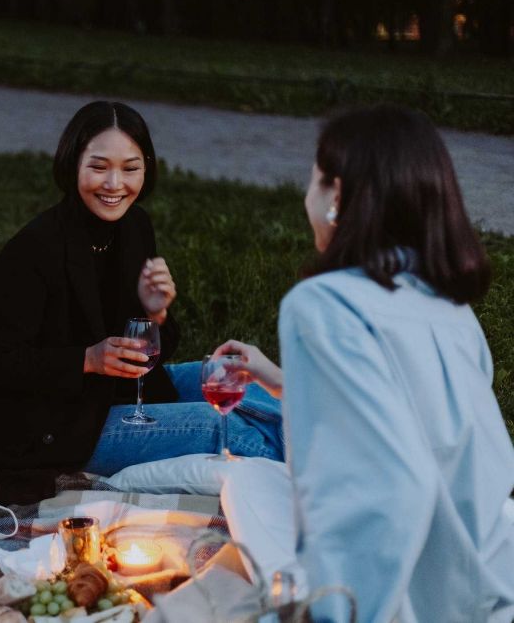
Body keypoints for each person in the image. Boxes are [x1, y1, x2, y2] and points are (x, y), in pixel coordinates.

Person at [216, 105, 514, 622]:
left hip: (404, 596)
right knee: (253, 480)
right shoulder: (450, 308)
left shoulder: (322, 303)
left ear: (337, 197)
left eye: (313, 181)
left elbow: (389, 486)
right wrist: (281, 381)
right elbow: (424, 430)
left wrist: (334, 613)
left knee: (245, 484)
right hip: (482, 573)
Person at [0, 101, 283, 494]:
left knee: (243, 382)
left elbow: (146, 352)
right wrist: (87, 360)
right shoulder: (32, 250)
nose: (115, 184)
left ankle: (336, 440)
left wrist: (157, 314)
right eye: (99, 167)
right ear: (72, 163)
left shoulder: (135, 227)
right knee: (228, 429)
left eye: (130, 168)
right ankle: (327, 469)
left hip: (128, 393)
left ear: (146, 168)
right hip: (59, 423)